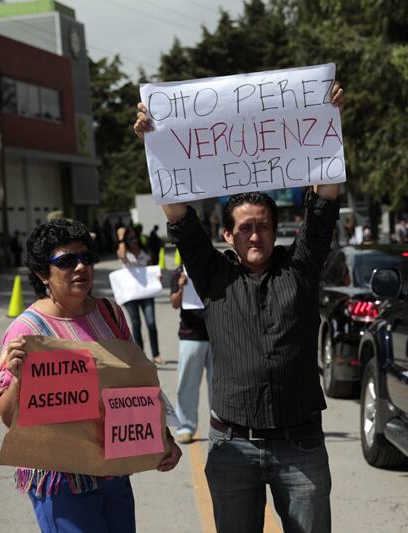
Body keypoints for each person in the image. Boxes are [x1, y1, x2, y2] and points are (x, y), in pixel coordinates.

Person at [134, 81, 343, 533]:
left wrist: (329, 124)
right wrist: (156, 145)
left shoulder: (301, 268)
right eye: (244, 228)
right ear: (227, 235)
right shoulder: (213, 275)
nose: (254, 235)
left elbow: (324, 206)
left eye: (262, 226)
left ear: (276, 230)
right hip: (232, 447)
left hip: (300, 446)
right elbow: (180, 218)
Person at [0, 218, 181, 533]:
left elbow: (136, 383)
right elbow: (8, 417)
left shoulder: (110, 313)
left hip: (113, 471)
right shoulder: (27, 330)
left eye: (86, 257)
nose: (80, 267)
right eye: (67, 261)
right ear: (42, 273)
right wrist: (19, 378)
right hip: (61, 482)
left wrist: (164, 438)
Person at [169, 266, 213, 444]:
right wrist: (181, 287)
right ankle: (186, 427)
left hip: (217, 335)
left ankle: (221, 428)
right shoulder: (178, 273)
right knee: (187, 385)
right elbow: (174, 303)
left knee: (220, 386)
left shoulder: (216, 267)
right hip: (191, 335)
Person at [117, 226, 163, 364]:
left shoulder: (145, 252)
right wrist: (121, 238)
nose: (134, 240)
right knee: (136, 323)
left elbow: (150, 271)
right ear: (126, 241)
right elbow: (121, 256)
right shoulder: (125, 253)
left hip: (146, 293)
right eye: (130, 238)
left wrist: (157, 278)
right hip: (131, 295)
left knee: (151, 322)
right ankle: (140, 355)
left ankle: (156, 354)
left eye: (135, 237)